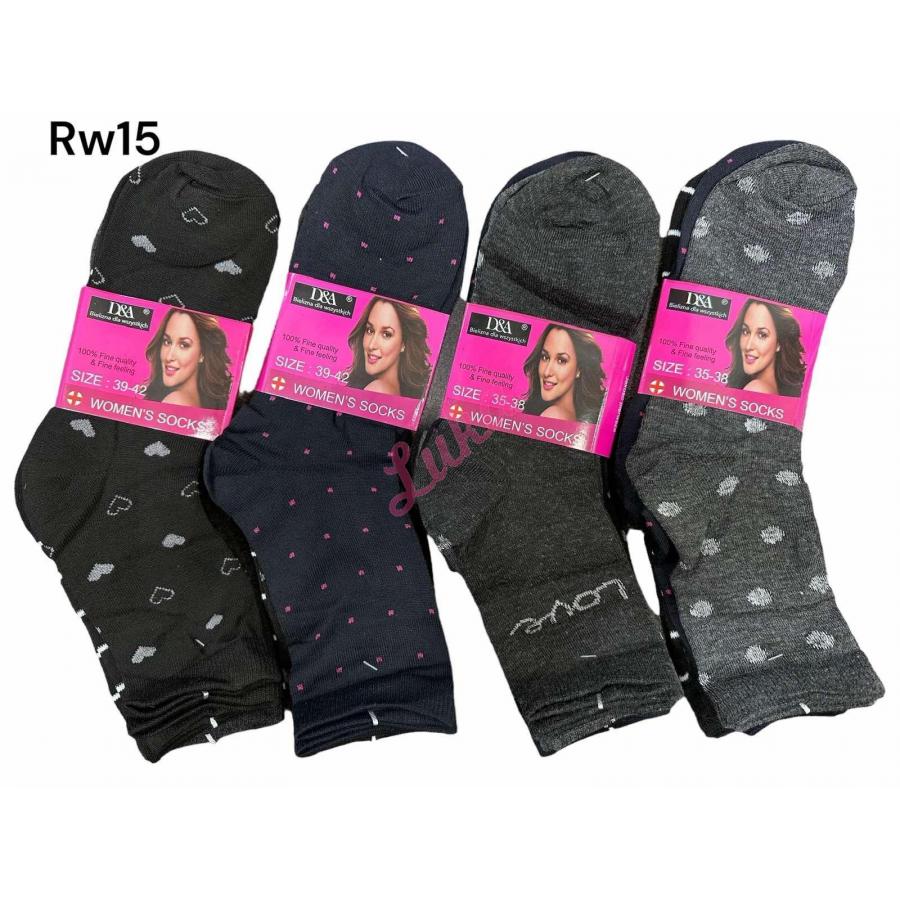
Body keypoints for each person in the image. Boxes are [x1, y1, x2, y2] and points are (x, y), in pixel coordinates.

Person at [144, 309, 232, 409]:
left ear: (202, 354)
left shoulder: (175, 401)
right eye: (167, 342)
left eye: (183, 345)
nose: (169, 357)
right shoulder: (202, 401)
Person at [345, 297, 432, 398]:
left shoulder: (377, 389)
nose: (371, 345)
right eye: (370, 330)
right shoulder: (399, 392)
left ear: (403, 343)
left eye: (386, 334)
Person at [522, 324, 605, 423]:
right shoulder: (571, 416)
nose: (547, 372)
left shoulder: (553, 415)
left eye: (561, 360)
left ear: (579, 369)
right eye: (545, 357)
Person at [725, 298, 806, 396]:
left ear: (778, 343)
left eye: (762, 335)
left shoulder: (756, 389)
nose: (748, 346)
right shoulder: (772, 389)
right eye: (745, 331)